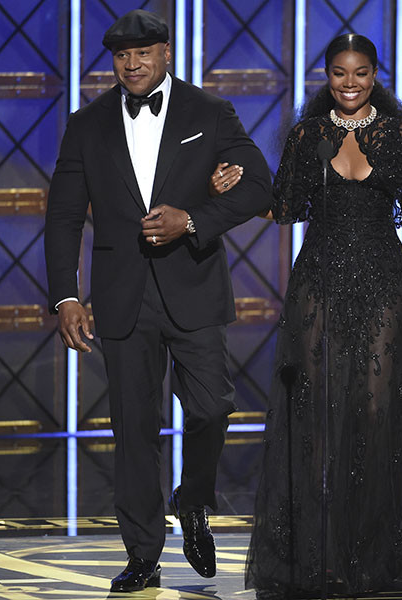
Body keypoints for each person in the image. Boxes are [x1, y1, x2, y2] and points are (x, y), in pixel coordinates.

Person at [43, 9, 271, 593]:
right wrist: (66, 295)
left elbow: (258, 186)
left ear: (167, 53)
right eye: (122, 55)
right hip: (121, 297)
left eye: (144, 52)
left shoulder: (209, 113)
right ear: (113, 61)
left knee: (213, 407)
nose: (133, 62)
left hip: (192, 285)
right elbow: (65, 216)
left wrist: (193, 218)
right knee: (135, 431)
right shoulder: (86, 123)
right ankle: (143, 554)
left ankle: (192, 498)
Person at [239, 33, 402, 597]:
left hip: (384, 285)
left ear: (375, 76)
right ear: (326, 76)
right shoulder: (307, 136)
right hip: (318, 284)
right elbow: (285, 210)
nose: (350, 84)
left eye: (361, 73)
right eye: (340, 74)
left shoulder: (400, 136)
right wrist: (241, 183)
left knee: (374, 416)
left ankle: (375, 554)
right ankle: (324, 557)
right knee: (318, 422)